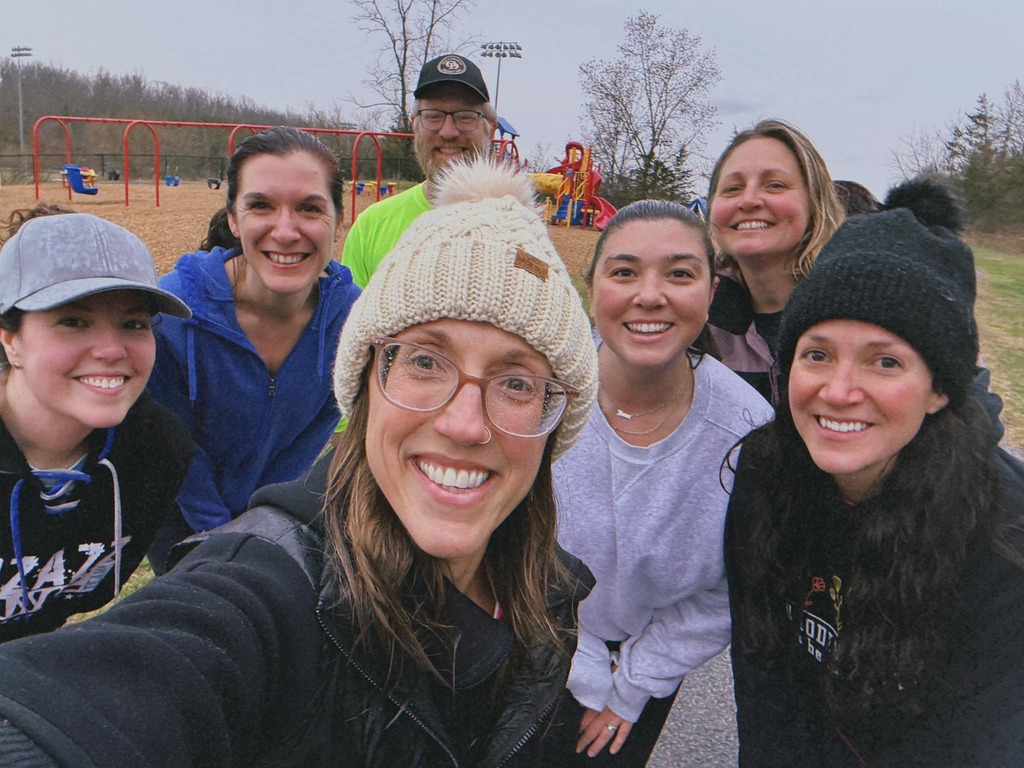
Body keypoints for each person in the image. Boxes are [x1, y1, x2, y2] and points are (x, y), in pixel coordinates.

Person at [0, 157, 600, 767]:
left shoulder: (550, 593)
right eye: (424, 362)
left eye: (517, 383)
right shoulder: (269, 590)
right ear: (364, 384)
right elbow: (120, 690)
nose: (465, 424)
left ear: (556, 416)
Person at [723, 189, 1024, 765]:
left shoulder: (1004, 543)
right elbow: (764, 682)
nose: (838, 391)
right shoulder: (765, 474)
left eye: (885, 362)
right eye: (817, 354)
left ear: (939, 389)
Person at [554, 201, 773, 765]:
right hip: (523, 639)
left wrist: (631, 685)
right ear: (592, 288)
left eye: (679, 273)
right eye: (624, 271)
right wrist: (581, 664)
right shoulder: (539, 393)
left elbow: (734, 588)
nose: (649, 295)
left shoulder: (749, 432)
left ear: (710, 292)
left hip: (648, 665)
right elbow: (496, 538)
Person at [146, 126, 361, 572]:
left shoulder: (353, 319)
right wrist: (221, 536)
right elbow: (173, 443)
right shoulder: (172, 313)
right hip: (179, 512)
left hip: (274, 514)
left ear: (339, 220)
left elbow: (318, 426)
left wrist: (266, 516)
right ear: (233, 219)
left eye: (309, 208)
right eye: (261, 205)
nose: (285, 231)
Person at [0, 213, 192, 642]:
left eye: (133, 324)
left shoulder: (156, 450)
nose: (111, 350)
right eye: (73, 321)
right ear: (11, 340)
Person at [706, 118, 845, 404]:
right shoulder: (698, 319)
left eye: (775, 185)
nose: (749, 200)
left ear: (814, 203)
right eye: (732, 188)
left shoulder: (857, 312)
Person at [341, 53, 498, 287]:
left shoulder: (516, 227)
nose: (448, 132)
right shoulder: (371, 226)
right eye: (433, 116)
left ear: (490, 129)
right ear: (415, 125)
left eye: (465, 117)